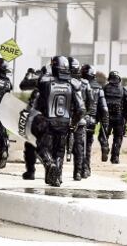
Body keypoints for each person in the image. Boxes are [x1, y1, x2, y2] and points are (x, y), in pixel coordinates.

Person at [28, 56, 85, 187]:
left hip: (48, 122)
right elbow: (81, 109)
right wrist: (73, 123)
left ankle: (50, 164)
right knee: (59, 152)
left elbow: (27, 84)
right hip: (65, 123)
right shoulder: (74, 83)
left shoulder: (44, 81)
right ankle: (56, 178)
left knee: (42, 148)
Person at [19, 66, 47, 180]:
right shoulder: (62, 83)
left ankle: (30, 171)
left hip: (37, 118)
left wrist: (29, 73)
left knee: (31, 144)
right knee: (47, 146)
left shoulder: (40, 81)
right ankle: (50, 171)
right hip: (50, 120)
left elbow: (23, 85)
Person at [80, 64, 108, 179]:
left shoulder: (78, 85)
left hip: (79, 120)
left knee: (79, 146)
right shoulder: (99, 88)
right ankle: (86, 168)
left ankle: (80, 169)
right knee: (88, 146)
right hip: (92, 121)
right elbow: (104, 109)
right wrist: (105, 125)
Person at [100, 70, 127, 164]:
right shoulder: (123, 90)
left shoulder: (104, 88)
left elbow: (100, 103)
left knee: (103, 135)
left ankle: (105, 146)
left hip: (106, 117)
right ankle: (115, 157)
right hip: (119, 117)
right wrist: (126, 118)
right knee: (118, 137)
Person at [66, 57, 84, 170]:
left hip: (62, 117)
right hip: (78, 117)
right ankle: (78, 172)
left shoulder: (56, 82)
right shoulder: (83, 83)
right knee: (80, 148)